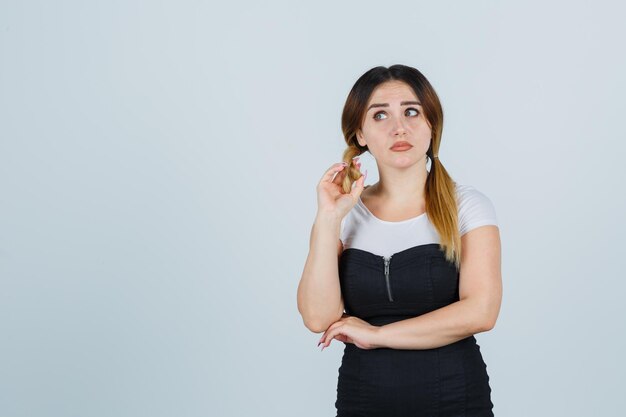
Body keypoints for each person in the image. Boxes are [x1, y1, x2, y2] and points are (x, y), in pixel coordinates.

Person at [296, 64, 502, 417]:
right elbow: (319, 317)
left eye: (411, 111)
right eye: (379, 115)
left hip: (456, 401)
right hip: (362, 401)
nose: (399, 127)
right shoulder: (343, 215)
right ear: (360, 133)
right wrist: (329, 218)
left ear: (431, 124)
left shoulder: (467, 205)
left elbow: (480, 312)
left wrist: (377, 335)